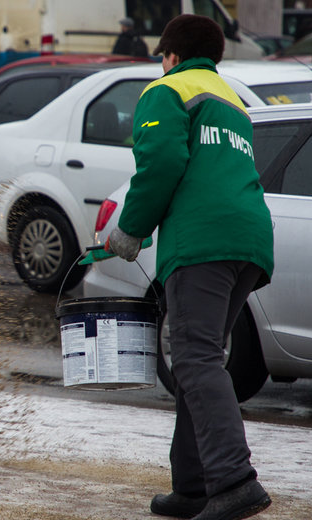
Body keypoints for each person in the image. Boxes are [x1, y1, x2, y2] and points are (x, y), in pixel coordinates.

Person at [105, 14, 274, 520]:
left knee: (195, 358)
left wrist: (130, 230)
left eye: (162, 56)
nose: (161, 64)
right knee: (201, 360)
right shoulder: (231, 100)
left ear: (171, 55)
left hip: (203, 242)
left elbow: (159, 163)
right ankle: (195, 484)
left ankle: (234, 480)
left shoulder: (167, 90)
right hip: (250, 242)